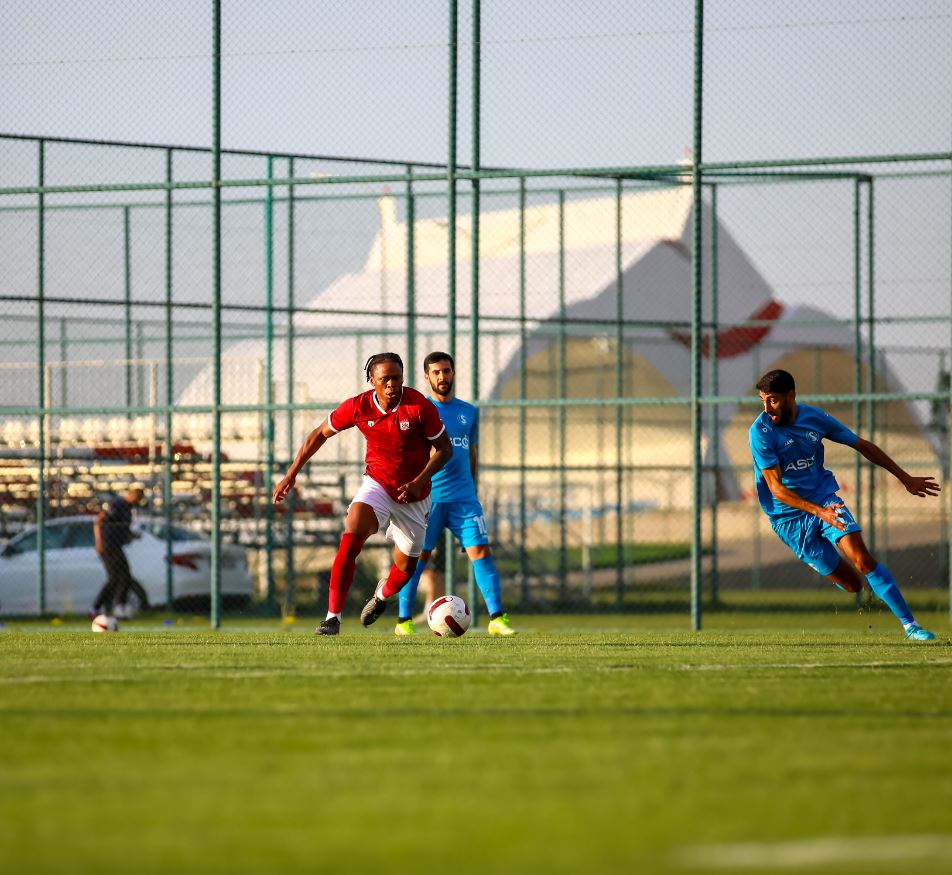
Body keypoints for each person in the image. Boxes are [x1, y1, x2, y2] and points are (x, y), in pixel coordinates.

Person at [749, 369, 940, 640]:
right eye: (762, 400)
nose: (767, 408)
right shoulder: (761, 432)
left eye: (773, 400)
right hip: (787, 518)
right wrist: (818, 512)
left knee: (862, 560)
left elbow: (862, 445)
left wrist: (905, 478)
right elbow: (777, 489)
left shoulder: (814, 418)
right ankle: (847, 580)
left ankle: (911, 626)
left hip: (825, 499)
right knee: (853, 585)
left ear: (791, 395)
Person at [273, 352, 452, 635]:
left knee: (404, 570)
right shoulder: (358, 407)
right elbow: (319, 433)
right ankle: (333, 617)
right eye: (385, 379)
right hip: (377, 485)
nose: (392, 384)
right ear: (372, 381)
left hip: (414, 497)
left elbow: (444, 449)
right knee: (351, 534)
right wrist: (291, 473)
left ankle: (382, 595)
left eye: (396, 378)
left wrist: (420, 481)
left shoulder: (418, 406)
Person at [395, 352, 516, 636]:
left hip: (463, 500)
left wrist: (471, 489)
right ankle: (403, 622)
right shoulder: (419, 411)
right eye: (436, 372)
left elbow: (471, 453)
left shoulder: (469, 412)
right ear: (427, 377)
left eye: (446, 371)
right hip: (428, 499)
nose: (442, 377)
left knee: (481, 551)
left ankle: (497, 619)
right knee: (417, 558)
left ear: (453, 373)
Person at [91, 486, 145, 618]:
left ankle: (117, 606)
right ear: (133, 495)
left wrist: (132, 535)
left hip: (116, 545)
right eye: (138, 499)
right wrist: (99, 542)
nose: (137, 503)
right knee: (116, 577)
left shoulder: (127, 508)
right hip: (108, 546)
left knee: (123, 577)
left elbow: (120, 528)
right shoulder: (118, 504)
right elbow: (99, 520)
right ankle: (98, 608)